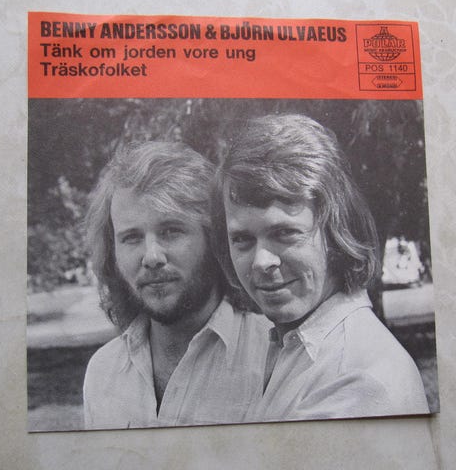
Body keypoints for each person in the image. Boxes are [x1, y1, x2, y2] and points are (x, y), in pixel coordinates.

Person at [212, 114, 429, 422]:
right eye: (242, 239)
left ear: (335, 231)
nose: (261, 261)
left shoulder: (356, 381)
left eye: (284, 233)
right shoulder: (290, 347)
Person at [83, 141, 270, 429]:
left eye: (171, 231)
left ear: (214, 238)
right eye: (131, 238)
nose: (152, 257)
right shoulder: (103, 372)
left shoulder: (273, 357)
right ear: (113, 251)